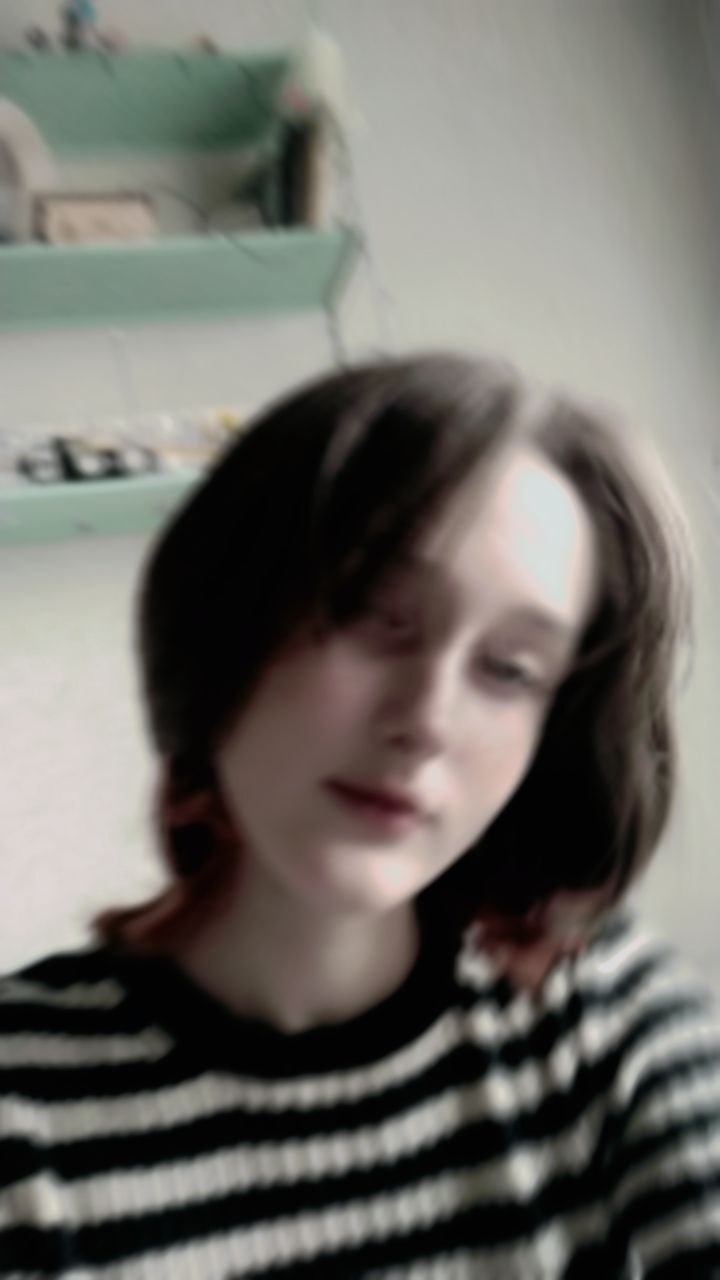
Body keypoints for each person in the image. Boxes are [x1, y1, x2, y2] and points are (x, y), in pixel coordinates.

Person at [1, 353, 718, 1279]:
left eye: (509, 670)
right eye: (376, 616)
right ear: (228, 622)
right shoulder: (22, 1107)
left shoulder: (602, 1020)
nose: (427, 719)